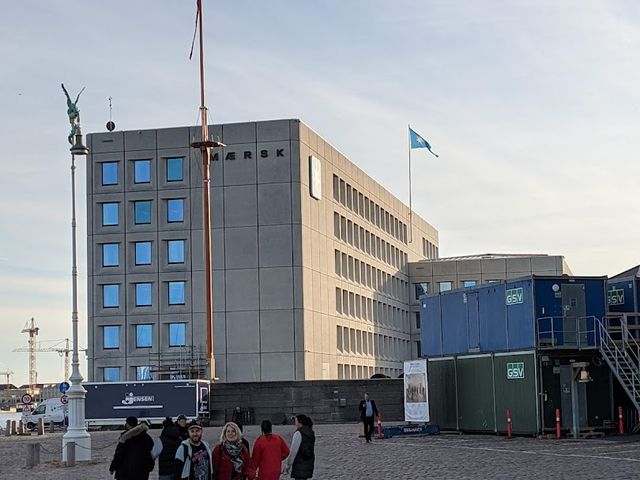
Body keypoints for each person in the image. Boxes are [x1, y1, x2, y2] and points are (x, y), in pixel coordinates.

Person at [109, 416, 155, 480]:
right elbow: (151, 454)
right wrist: (150, 466)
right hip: (142, 471)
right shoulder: (147, 437)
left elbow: (119, 454)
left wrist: (113, 467)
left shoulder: (124, 438)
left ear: (128, 424)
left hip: (125, 472)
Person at [285, 414, 315, 480]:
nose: (295, 423)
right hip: (308, 463)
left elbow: (293, 450)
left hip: (299, 464)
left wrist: (288, 464)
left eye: (296, 421)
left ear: (300, 422)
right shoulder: (310, 432)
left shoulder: (298, 433)